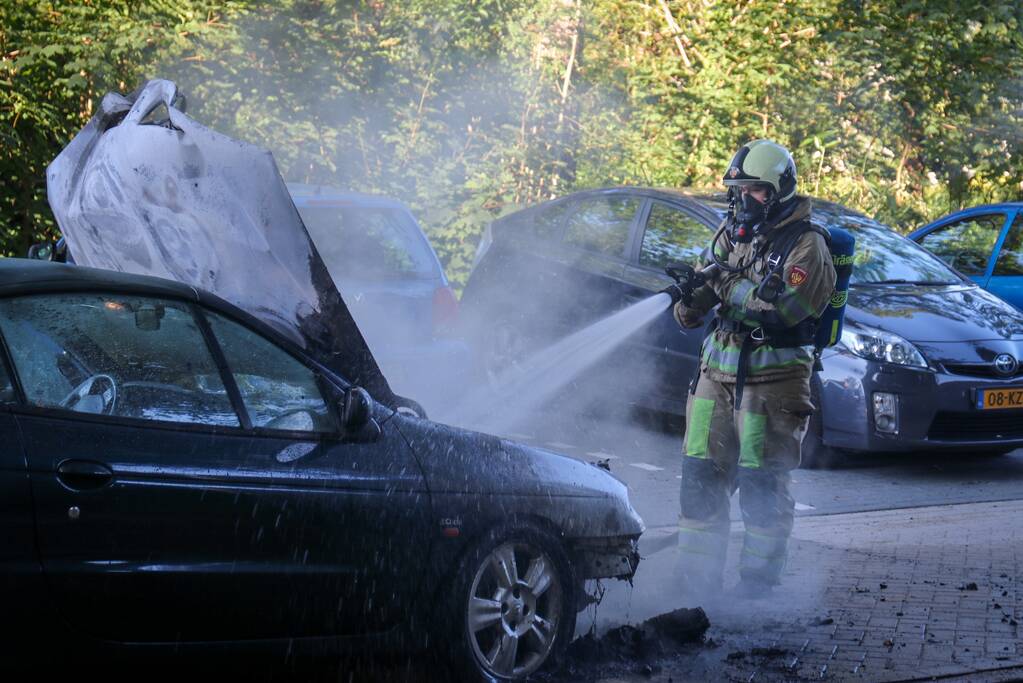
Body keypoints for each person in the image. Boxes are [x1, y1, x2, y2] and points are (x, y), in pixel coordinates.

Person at [672, 139, 837, 597]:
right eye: (737, 189)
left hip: (773, 385)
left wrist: (722, 281)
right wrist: (690, 293)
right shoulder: (729, 234)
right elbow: (690, 316)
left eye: (755, 190)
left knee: (762, 487)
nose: (743, 199)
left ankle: (756, 590)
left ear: (780, 190)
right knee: (699, 477)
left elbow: (784, 310)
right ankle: (694, 586)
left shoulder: (807, 246)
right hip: (713, 378)